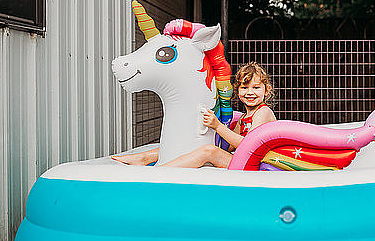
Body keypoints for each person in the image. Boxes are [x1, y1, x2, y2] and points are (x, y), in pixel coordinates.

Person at [112, 62, 276, 168]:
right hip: (246, 160)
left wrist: (217, 126)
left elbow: (247, 144)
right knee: (197, 145)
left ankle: (159, 173)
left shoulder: (263, 112)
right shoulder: (243, 117)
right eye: (244, 88)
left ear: (266, 90)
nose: (250, 92)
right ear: (237, 90)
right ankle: (144, 157)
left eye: (256, 88)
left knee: (209, 151)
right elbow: (231, 145)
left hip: (256, 164)